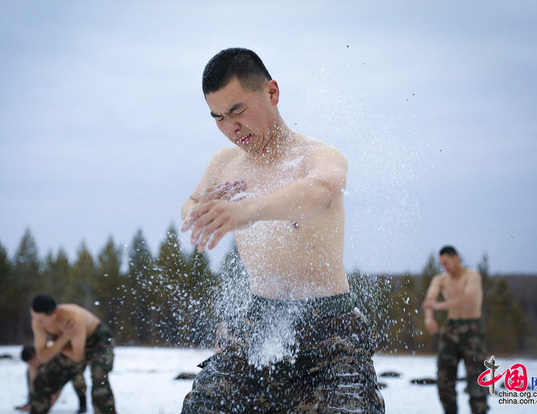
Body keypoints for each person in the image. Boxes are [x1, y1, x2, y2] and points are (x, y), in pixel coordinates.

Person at [180, 47, 384, 413]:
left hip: (330, 330)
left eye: (237, 110)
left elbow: (321, 192)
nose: (230, 127)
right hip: (258, 323)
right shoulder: (224, 163)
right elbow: (192, 202)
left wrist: (248, 211)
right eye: (218, 117)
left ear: (271, 93)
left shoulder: (317, 156)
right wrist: (198, 208)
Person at [423, 246, 489, 414]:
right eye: (441, 264)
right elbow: (429, 300)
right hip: (451, 330)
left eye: (446, 262)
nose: (444, 266)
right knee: (444, 381)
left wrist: (440, 306)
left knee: (477, 381)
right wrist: (429, 316)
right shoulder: (440, 279)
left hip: (472, 330)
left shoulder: (471, 276)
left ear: (457, 258)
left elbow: (469, 299)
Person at [29, 294, 116, 414]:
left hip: (98, 340)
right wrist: (63, 339)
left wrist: (56, 344)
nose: (37, 322)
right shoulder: (37, 322)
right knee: (42, 381)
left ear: (55, 312)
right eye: (34, 317)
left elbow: (77, 356)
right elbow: (43, 356)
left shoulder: (73, 317)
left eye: (41, 320)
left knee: (99, 378)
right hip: (69, 344)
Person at [15, 345, 87, 413]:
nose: (32, 364)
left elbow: (58, 386)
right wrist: (34, 402)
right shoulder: (33, 365)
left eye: (32, 362)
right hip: (52, 368)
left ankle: (82, 403)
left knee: (78, 379)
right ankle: (31, 401)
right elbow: (33, 382)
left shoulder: (52, 357)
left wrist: (48, 404)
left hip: (70, 366)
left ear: (37, 355)